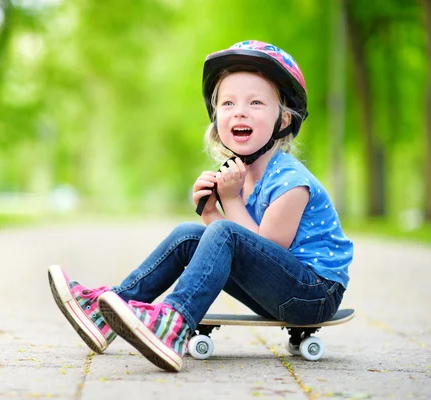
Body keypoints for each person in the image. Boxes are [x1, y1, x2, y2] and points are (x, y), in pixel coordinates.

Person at [47, 40, 353, 373]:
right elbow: (245, 250)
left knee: (223, 231)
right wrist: (210, 212)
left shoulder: (291, 182)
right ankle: (108, 312)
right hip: (281, 287)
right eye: (228, 103)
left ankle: (173, 323)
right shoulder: (241, 174)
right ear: (216, 117)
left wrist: (229, 202)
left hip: (313, 295)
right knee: (189, 236)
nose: (240, 111)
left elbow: (267, 246)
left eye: (256, 102)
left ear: (283, 120)